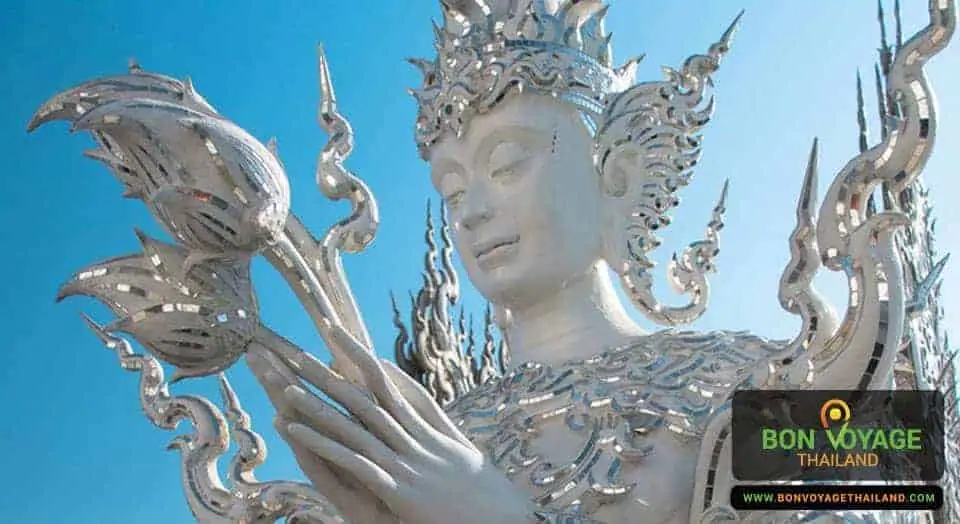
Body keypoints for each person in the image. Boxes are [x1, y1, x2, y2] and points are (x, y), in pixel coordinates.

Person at [244, 1, 955, 523]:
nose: (471, 211)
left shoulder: (777, 378)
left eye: (507, 164)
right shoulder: (433, 435)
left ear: (615, 173)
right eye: (452, 188)